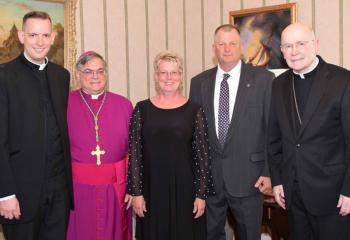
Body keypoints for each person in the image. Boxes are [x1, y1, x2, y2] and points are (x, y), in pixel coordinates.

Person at [189, 24, 274, 240]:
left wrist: (268, 170)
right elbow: (195, 134)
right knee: (209, 234)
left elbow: (271, 128)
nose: (227, 49)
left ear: (241, 46)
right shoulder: (199, 83)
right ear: (214, 48)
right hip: (210, 179)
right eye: (221, 44)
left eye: (232, 43)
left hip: (250, 177)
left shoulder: (263, 80)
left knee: (248, 235)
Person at [268, 22, 350, 240]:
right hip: (293, 194)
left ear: (316, 44)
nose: (294, 52)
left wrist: (349, 190)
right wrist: (276, 180)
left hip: (333, 195)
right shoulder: (278, 84)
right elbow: (274, 138)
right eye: (287, 46)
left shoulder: (343, 80)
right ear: (282, 51)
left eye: (300, 44)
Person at [0, 11, 73, 240]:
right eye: (33, 35)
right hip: (20, 193)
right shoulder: (4, 76)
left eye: (45, 35)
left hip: (58, 192)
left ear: (52, 38)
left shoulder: (61, 76)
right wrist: (5, 194)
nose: (40, 42)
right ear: (21, 36)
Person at [127, 50, 215, 240]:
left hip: (186, 190)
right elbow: (135, 153)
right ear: (156, 76)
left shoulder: (195, 109)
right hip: (151, 189)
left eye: (173, 72)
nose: (169, 77)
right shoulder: (142, 109)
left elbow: (203, 156)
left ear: (180, 76)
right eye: (163, 73)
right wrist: (136, 193)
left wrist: (201, 194)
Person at [66, 51, 133, 240]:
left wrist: (133, 186)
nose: (95, 76)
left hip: (115, 188)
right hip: (77, 190)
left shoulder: (124, 104)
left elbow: (135, 151)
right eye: (88, 71)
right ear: (78, 75)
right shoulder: (65, 103)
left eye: (100, 71)